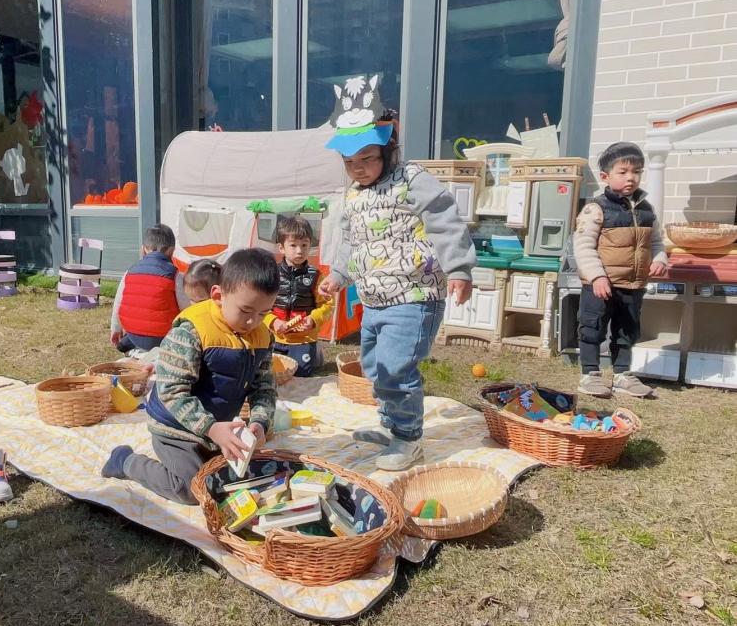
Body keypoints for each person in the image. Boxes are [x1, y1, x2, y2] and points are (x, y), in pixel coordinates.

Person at [318, 74, 476, 471]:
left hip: (413, 296)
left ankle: (409, 439)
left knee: (395, 368)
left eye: (366, 159)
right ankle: (392, 427)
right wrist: (338, 275)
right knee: (375, 369)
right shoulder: (355, 194)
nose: (357, 169)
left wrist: (459, 269)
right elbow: (351, 241)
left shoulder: (411, 180)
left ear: (388, 148)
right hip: (374, 301)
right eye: (349, 162)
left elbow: (444, 220)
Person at [101, 248, 279, 504]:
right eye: (246, 310)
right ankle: (126, 461)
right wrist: (211, 428)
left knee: (238, 479)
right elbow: (172, 392)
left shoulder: (263, 336)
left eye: (263, 313)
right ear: (218, 295)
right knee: (191, 489)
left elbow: (264, 388)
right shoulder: (192, 331)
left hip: (216, 431)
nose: (253, 322)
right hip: (175, 429)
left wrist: (260, 423)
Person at [574, 142, 668, 398]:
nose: (631, 177)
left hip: (632, 284)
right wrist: (597, 276)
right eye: (623, 172)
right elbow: (583, 246)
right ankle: (590, 375)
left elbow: (656, 241)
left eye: (636, 171)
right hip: (600, 284)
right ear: (605, 176)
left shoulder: (647, 210)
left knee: (627, 330)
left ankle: (622, 375)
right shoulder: (596, 208)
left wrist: (660, 259)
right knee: (592, 328)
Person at [264, 216, 332, 376]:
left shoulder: (316, 276)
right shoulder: (272, 274)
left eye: (304, 245)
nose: (299, 251)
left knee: (301, 375)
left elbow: (328, 305)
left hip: (304, 339)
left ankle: (314, 354)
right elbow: (260, 305)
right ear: (281, 248)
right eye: (293, 245)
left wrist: (313, 320)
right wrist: (272, 321)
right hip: (274, 337)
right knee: (272, 375)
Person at [110, 224, 189, 353]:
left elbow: (118, 304)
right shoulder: (175, 275)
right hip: (163, 337)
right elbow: (185, 308)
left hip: (133, 333)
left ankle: (129, 345)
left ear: (144, 249)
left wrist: (115, 329)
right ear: (172, 250)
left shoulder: (130, 272)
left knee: (136, 335)